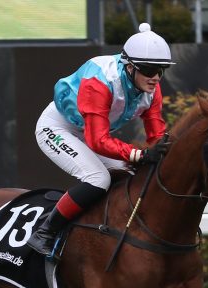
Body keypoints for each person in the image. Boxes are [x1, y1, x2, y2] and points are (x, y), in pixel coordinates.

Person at [27, 23, 176, 256]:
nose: (156, 78)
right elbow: (97, 140)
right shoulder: (101, 81)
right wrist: (140, 154)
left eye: (161, 70)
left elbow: (156, 136)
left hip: (90, 132)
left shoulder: (151, 89)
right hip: (58, 127)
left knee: (130, 176)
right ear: (129, 67)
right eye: (149, 69)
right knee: (98, 179)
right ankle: (44, 232)